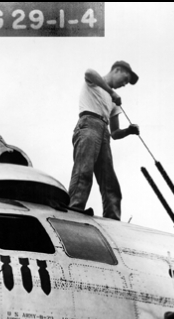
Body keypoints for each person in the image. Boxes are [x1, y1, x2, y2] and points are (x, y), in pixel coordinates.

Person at [68, 60, 140, 220]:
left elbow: (114, 133)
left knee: (109, 180)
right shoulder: (95, 81)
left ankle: (112, 217)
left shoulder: (114, 103)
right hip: (89, 123)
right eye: (125, 79)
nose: (125, 84)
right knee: (84, 169)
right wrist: (112, 92)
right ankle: (74, 208)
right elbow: (88, 72)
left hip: (104, 132)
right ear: (117, 70)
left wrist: (129, 131)